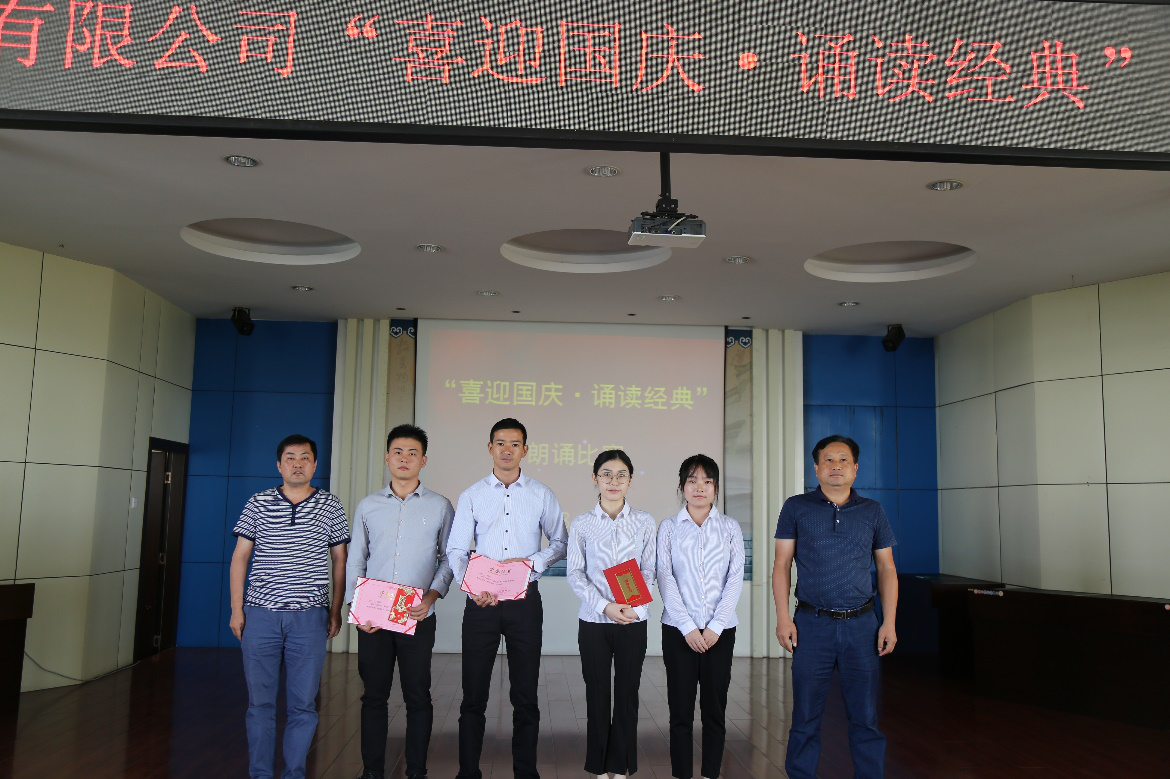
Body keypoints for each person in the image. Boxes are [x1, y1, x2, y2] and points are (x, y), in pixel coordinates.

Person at [446, 418, 569, 779]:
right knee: (473, 695)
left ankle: (526, 772)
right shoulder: (472, 495)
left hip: (524, 601)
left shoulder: (541, 494)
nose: (507, 450)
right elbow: (456, 549)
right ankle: (468, 772)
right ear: (490, 448)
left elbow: (560, 543)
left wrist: (531, 564)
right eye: (500, 443)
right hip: (480, 603)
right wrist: (471, 585)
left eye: (514, 444)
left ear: (525, 450)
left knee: (525, 696)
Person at [773, 435, 898, 779]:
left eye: (844, 460)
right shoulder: (796, 507)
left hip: (862, 625)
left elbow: (887, 568)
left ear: (856, 468)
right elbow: (782, 564)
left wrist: (888, 622)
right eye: (828, 460)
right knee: (805, 717)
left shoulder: (872, 511)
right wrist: (783, 618)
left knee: (865, 717)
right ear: (816, 468)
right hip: (812, 624)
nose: (836, 466)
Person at [229, 434, 349, 779]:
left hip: (309, 618)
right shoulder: (258, 502)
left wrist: (335, 609)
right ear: (279, 465)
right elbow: (240, 558)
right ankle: (260, 774)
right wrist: (237, 609)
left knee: (303, 705)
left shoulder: (330, 505)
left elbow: (339, 560)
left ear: (315, 464)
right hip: (260, 615)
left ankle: (294, 773)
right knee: (259, 704)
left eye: (305, 458)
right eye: (291, 458)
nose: (298, 464)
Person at [345, 424, 455, 779]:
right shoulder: (368, 506)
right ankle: (372, 772)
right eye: (398, 452)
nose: (404, 459)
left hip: (416, 615)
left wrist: (432, 596)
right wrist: (355, 607)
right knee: (373, 697)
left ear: (424, 460)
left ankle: (417, 771)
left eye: (412, 453)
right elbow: (356, 560)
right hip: (373, 618)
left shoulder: (440, 506)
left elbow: (449, 558)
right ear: (387, 458)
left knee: (417, 696)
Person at [566, 450, 656, 779]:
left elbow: (649, 569)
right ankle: (599, 766)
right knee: (597, 693)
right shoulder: (582, 523)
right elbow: (575, 573)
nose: (613, 481)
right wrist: (605, 606)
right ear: (595, 478)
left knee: (627, 693)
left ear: (630, 480)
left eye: (621, 475)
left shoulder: (645, 521)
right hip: (594, 621)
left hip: (633, 619)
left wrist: (634, 608)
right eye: (606, 474)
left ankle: (621, 765)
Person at [656, 454, 745, 779]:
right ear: (682, 486)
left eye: (707, 481)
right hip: (678, 632)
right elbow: (665, 577)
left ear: (716, 488)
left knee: (714, 711)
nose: (699, 487)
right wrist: (688, 627)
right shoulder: (668, 527)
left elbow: (735, 578)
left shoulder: (730, 528)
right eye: (692, 480)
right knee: (680, 712)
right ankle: (682, 774)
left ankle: (710, 774)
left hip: (720, 633)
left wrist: (716, 626)